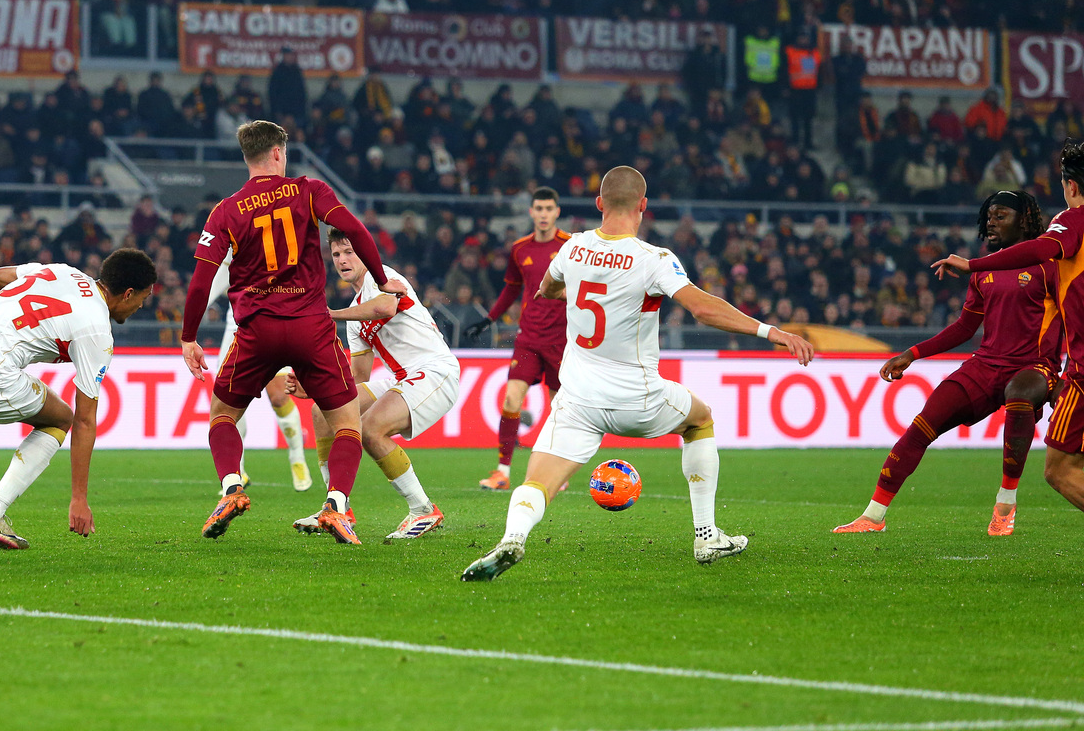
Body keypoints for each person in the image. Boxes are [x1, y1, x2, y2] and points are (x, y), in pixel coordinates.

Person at [461, 167, 814, 581]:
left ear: (598, 205)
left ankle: (512, 539)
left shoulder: (572, 249)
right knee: (700, 420)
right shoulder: (654, 259)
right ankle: (706, 535)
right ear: (643, 207)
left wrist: (567, 290)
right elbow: (702, 308)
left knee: (538, 481)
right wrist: (770, 331)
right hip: (639, 400)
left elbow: (546, 289)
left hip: (579, 401)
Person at [180, 120, 405, 545]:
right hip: (311, 327)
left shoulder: (225, 210)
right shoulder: (310, 190)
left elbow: (199, 280)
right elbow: (355, 230)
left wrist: (189, 337)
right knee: (346, 426)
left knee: (222, 416)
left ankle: (231, 487)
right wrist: (381, 279)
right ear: (279, 153)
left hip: (256, 330)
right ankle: (337, 505)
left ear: (247, 157)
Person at [835, 191, 1060, 536]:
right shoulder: (983, 272)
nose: (991, 223)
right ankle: (873, 516)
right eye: (989, 217)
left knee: (1018, 394)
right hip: (985, 365)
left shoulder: (1050, 265)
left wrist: (1069, 371)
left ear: (1025, 220)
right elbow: (964, 328)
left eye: (1001, 216)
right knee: (923, 424)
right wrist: (912, 353)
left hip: (1034, 365)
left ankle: (1005, 503)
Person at [0, 249, 157, 550]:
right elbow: (84, 420)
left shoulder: (64, 271)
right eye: (143, 297)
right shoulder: (97, 329)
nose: (141, 305)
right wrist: (79, 498)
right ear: (128, 294)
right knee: (61, 418)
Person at [933, 140, 1084, 521]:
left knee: (1060, 470)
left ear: (1070, 186)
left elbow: (1038, 250)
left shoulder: (1072, 219)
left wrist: (974, 264)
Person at [291, 227, 458, 539]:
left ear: (365, 253)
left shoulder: (384, 278)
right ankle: (338, 509)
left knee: (370, 429)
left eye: (349, 252)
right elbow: (358, 377)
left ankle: (423, 510)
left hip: (436, 371)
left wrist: (330, 314)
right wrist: (314, 387)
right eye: (337, 254)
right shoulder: (356, 311)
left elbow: (385, 307)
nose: (342, 260)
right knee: (323, 412)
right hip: (403, 377)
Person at [465, 187, 571, 491]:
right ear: (531, 212)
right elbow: (511, 289)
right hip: (528, 337)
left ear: (557, 212)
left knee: (558, 408)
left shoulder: (570, 246)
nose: (543, 214)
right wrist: (488, 319)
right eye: (538, 208)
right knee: (512, 399)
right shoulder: (519, 249)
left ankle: (556, 472)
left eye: (548, 208)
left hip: (560, 340)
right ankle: (502, 472)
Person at [206, 251, 312, 493]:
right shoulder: (235, 232)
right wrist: (201, 302)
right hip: (237, 323)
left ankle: (297, 458)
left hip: (275, 319)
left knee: (278, 397)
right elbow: (220, 271)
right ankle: (237, 472)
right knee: (229, 401)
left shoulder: (282, 233)